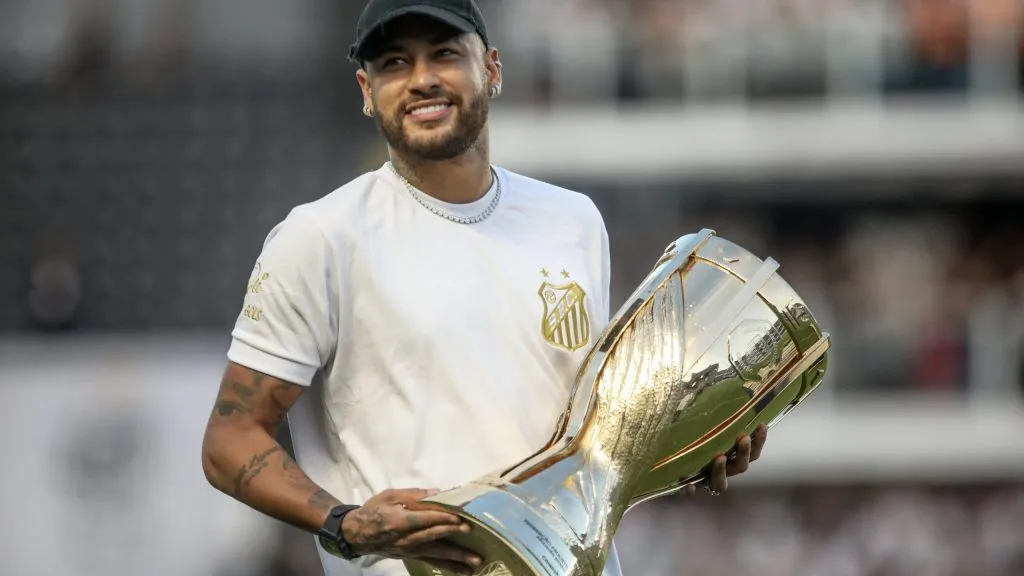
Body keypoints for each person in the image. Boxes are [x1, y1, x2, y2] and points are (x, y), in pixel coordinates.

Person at [200, 1, 769, 575]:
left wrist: (694, 441)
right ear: (366, 90)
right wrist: (345, 522)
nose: (421, 79)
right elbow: (230, 440)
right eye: (394, 63)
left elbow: (584, 440)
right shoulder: (321, 236)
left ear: (492, 69)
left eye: (445, 54)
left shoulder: (571, 220)